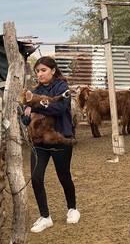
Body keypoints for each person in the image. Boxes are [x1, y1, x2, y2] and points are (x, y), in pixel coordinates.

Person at [23, 56, 80, 233]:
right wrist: (26, 114)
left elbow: (59, 109)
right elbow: (24, 117)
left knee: (63, 176)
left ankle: (72, 209)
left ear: (53, 70)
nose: (40, 74)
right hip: (39, 141)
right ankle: (45, 217)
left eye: (43, 70)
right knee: (36, 178)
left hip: (60, 138)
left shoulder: (63, 88)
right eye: (37, 71)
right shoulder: (34, 91)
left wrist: (35, 106)